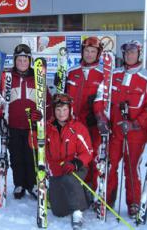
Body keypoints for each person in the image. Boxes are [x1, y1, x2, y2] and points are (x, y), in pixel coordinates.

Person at [94, 40, 147, 218]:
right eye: (127, 53)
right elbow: (100, 97)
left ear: (139, 54)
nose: (130, 56)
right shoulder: (112, 75)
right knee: (109, 165)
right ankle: (107, 198)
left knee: (131, 168)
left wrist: (136, 124)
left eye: (133, 53)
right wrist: (100, 117)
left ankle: (134, 203)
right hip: (114, 131)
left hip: (135, 133)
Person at [0, 43, 52, 199]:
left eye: (25, 60)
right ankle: (19, 184)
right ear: (15, 61)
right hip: (12, 124)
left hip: (32, 127)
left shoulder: (38, 78)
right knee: (16, 156)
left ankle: (32, 184)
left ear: (30, 61)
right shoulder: (8, 78)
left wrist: (43, 116)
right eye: (19, 60)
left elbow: (48, 103)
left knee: (31, 155)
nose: (22, 63)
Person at [46, 93, 93, 229]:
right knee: (59, 211)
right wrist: (35, 127)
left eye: (65, 110)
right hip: (57, 170)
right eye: (58, 110)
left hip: (76, 167)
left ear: (70, 110)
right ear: (54, 111)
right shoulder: (48, 128)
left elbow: (88, 152)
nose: (62, 113)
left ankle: (78, 212)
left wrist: (76, 163)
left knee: (69, 180)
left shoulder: (78, 128)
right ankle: (82, 195)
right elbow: (34, 144)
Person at [65, 36, 103, 190]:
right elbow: (64, 97)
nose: (89, 54)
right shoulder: (72, 72)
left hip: (93, 124)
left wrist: (99, 115)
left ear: (98, 54)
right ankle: (78, 187)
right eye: (86, 50)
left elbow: (107, 100)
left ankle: (94, 188)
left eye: (93, 51)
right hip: (74, 124)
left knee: (94, 156)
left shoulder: (104, 74)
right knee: (75, 156)